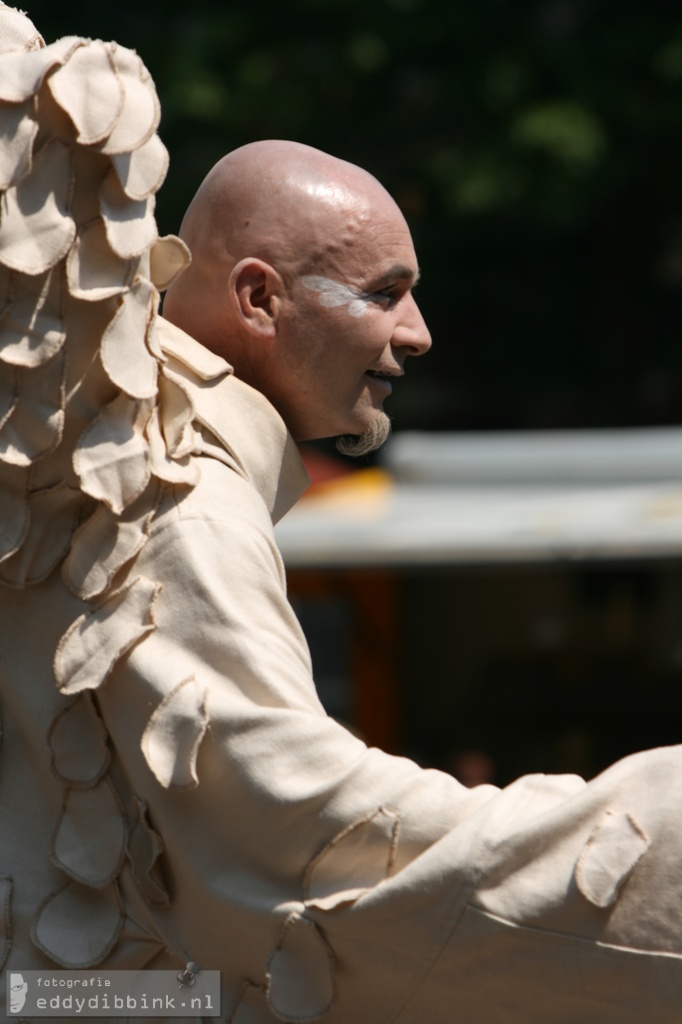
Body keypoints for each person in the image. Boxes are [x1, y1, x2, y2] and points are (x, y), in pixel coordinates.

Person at [0, 7, 681, 1023]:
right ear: (260, 297)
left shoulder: (122, 459)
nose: (418, 333)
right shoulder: (175, 496)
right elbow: (297, 837)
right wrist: (645, 834)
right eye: (385, 292)